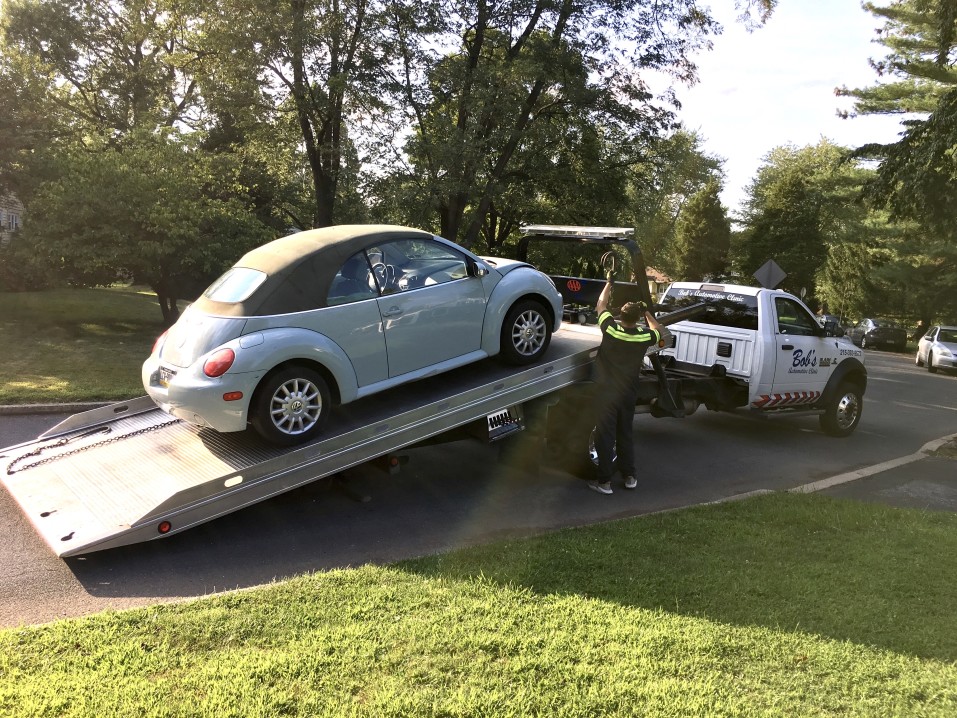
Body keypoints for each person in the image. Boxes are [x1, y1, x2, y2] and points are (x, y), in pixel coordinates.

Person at [587, 279, 663, 495]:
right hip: (628, 391)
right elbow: (658, 330)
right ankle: (630, 477)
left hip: (606, 391)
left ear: (620, 316)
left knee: (605, 435)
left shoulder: (611, 330)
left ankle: (604, 483)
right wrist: (646, 311)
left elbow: (601, 304)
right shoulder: (644, 336)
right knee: (625, 432)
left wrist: (609, 282)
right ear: (637, 319)